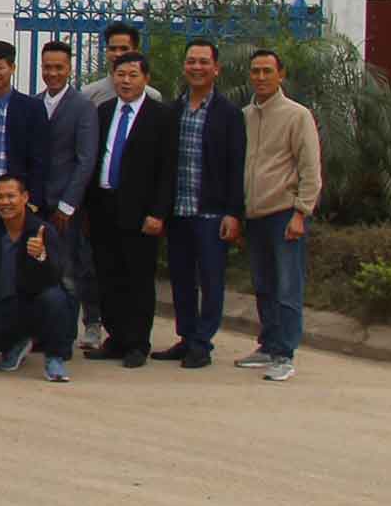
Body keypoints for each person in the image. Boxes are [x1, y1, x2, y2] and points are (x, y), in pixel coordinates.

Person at [83, 51, 177, 369]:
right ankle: (116, 337)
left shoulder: (161, 116)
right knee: (107, 276)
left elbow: (167, 170)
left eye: (133, 75)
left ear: (146, 79)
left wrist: (158, 213)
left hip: (141, 212)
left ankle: (137, 342)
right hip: (104, 206)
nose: (125, 81)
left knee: (137, 279)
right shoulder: (104, 111)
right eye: (120, 75)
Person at [158, 39, 248, 369]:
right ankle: (186, 337)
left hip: (211, 212)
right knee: (181, 279)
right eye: (191, 61)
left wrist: (233, 213)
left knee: (211, 281)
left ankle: (202, 342)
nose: (197, 67)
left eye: (203, 62)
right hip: (178, 211)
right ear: (185, 67)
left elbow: (237, 166)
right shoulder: (173, 110)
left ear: (216, 68)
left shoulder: (229, 114)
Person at [241, 47, 324, 383]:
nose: (261, 77)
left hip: (284, 213)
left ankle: (284, 354)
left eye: (267, 71)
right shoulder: (245, 115)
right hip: (254, 213)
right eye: (256, 71)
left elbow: (310, 168)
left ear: (281, 75)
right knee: (263, 284)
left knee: (287, 286)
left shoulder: (297, 115)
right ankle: (268, 344)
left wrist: (301, 212)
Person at [0, 173, 75, 383]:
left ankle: (54, 358)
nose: (5, 202)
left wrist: (41, 256)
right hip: (4, 308)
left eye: (11, 196)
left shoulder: (43, 231)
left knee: (56, 297)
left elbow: (57, 275)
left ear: (25, 197)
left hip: (35, 304)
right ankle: (15, 343)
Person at [35, 38, 101, 346]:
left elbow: (86, 160)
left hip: (65, 207)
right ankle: (43, 331)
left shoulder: (82, 107)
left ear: (69, 69)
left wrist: (67, 204)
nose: (52, 73)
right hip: (37, 204)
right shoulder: (35, 102)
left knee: (68, 271)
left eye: (58, 67)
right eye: (47, 67)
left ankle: (66, 335)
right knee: (40, 271)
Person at [0, 40, 47, 225]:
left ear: (12, 68)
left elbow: (40, 158)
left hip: (15, 200)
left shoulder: (32, 108)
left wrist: (33, 200)